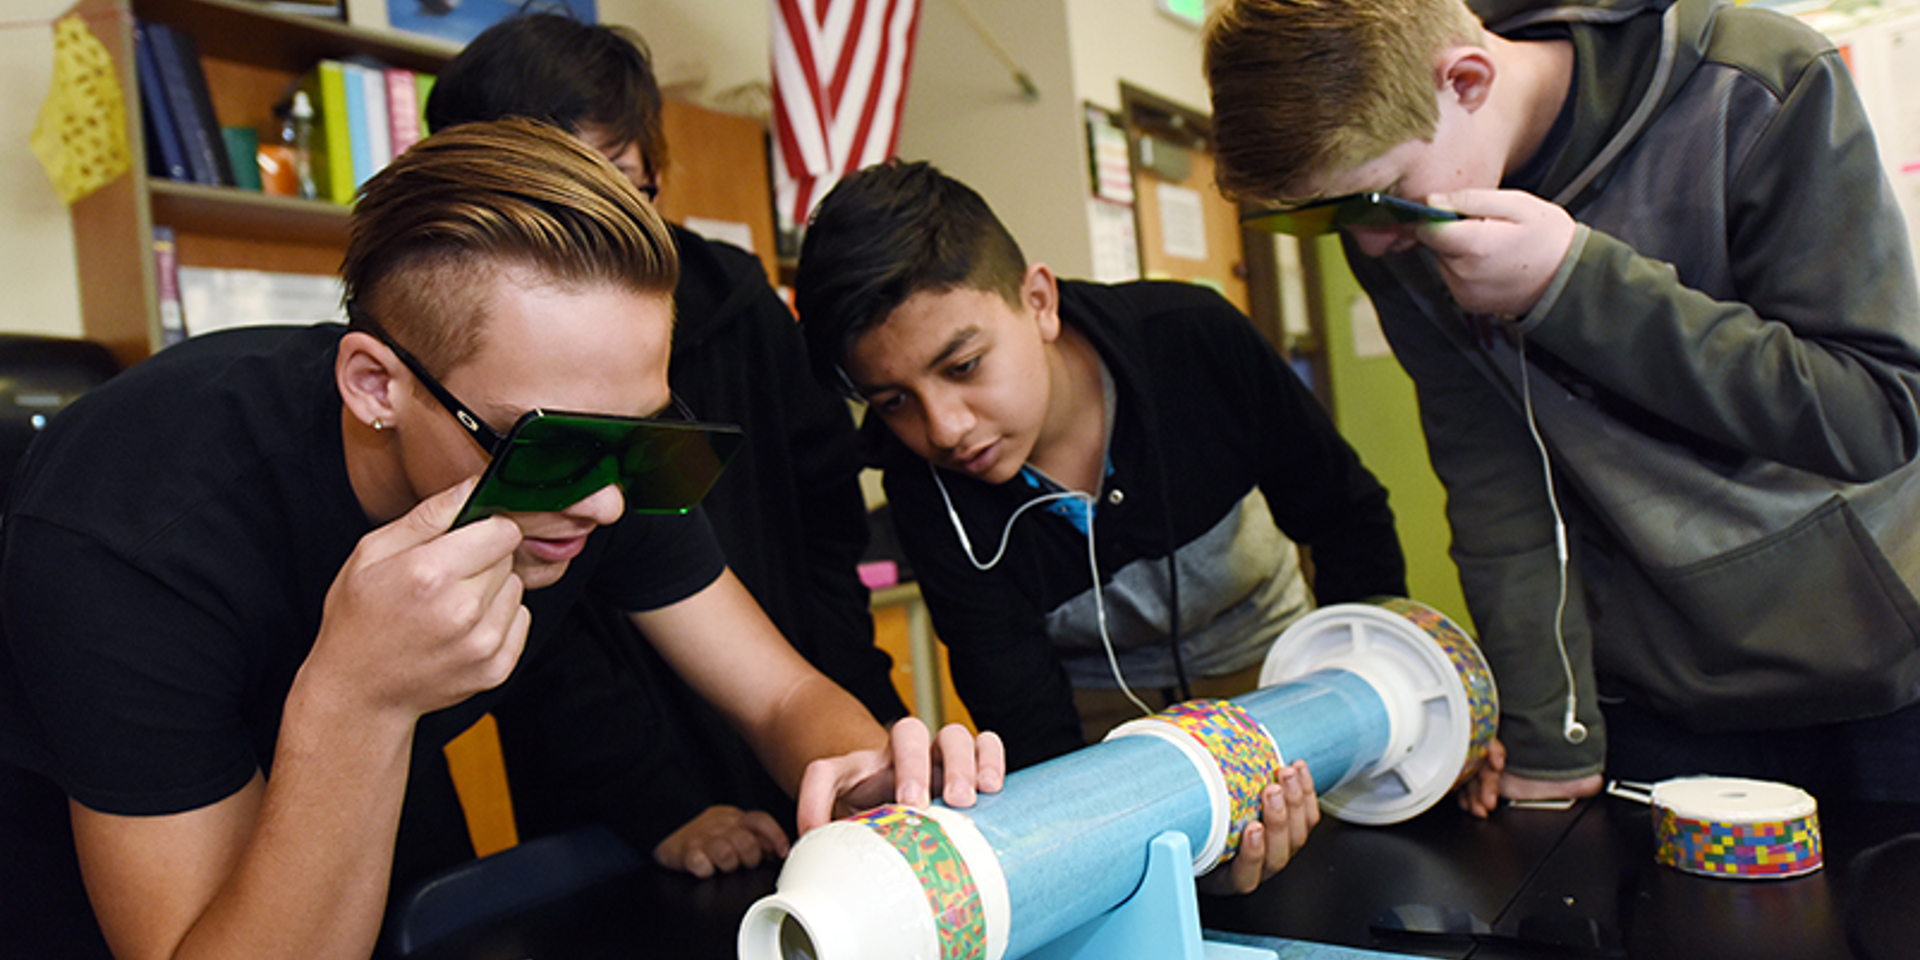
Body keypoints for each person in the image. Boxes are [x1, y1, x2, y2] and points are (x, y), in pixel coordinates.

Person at [0, 120, 999, 960]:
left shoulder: (585, 447)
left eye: (639, 433)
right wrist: (358, 694)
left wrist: (867, 775)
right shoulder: (128, 531)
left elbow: (778, 693)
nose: (609, 505)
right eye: (556, 449)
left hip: (371, 779)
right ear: (375, 387)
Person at [1203, 0, 1920, 814]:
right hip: (1649, 694)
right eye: (1334, 218)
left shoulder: (1759, 81)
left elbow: (1875, 415)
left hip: (1874, 665)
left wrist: (1572, 284)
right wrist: (1548, 736)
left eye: (1382, 199)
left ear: (1465, 80)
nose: (1371, 243)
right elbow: (1496, 483)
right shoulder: (1404, 225)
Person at [794, 160, 1410, 891]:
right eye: (894, 400)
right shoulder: (925, 492)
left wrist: (1376, 709)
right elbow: (1027, 720)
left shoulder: (1196, 342)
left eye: (962, 366)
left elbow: (1348, 521)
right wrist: (1157, 854)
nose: (945, 429)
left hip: (1285, 695)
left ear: (1039, 302)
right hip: (1098, 756)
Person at [423, 13, 907, 878]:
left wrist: (855, 733)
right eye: (564, 198)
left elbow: (824, 533)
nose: (602, 227)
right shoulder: (458, 384)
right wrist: (658, 803)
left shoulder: (736, 303)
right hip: (610, 794)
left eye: (626, 188)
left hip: (785, 700)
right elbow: (524, 634)